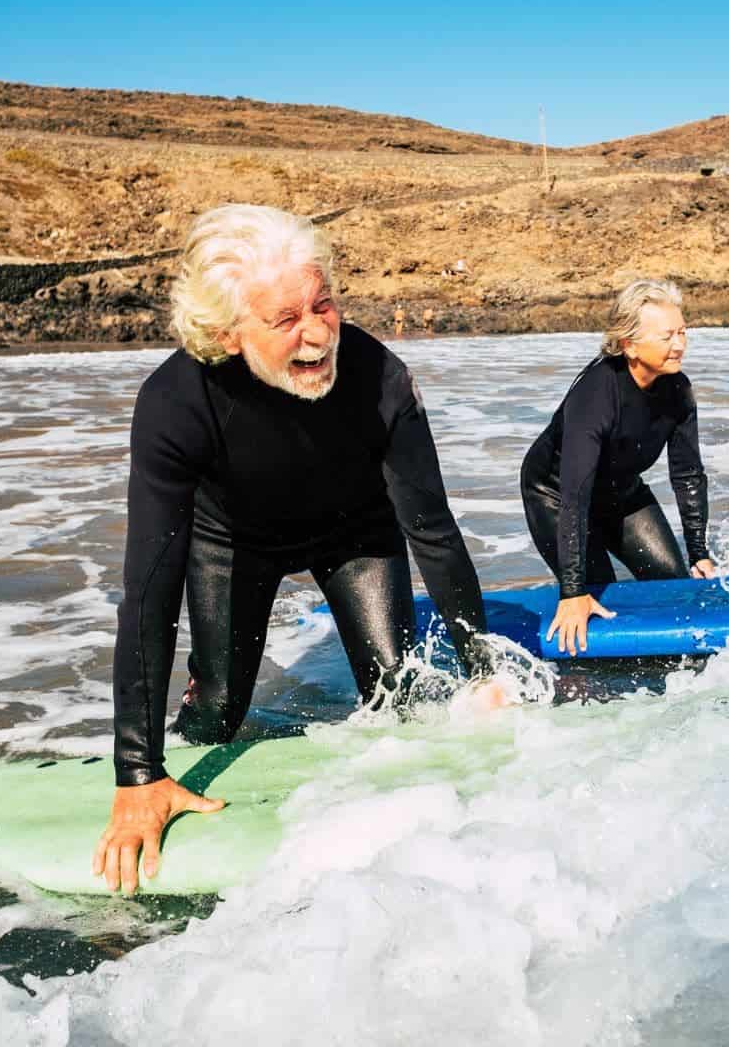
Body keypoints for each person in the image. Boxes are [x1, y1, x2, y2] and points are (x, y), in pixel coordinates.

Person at [94, 204, 489, 894]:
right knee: (218, 718)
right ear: (226, 332)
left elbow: (432, 529)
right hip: (234, 544)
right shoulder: (175, 403)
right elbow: (149, 591)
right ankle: (206, 700)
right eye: (285, 320)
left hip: (356, 533)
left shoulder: (380, 378)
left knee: (394, 697)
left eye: (323, 304)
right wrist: (138, 774)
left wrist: (485, 673)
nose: (317, 335)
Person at [520, 278, 714, 656]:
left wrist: (699, 552)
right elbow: (575, 493)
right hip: (557, 496)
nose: (679, 345)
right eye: (666, 336)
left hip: (621, 494)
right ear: (629, 345)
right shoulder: (596, 393)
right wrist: (573, 591)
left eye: (683, 332)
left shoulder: (678, 390)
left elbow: (688, 473)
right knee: (595, 603)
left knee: (674, 590)